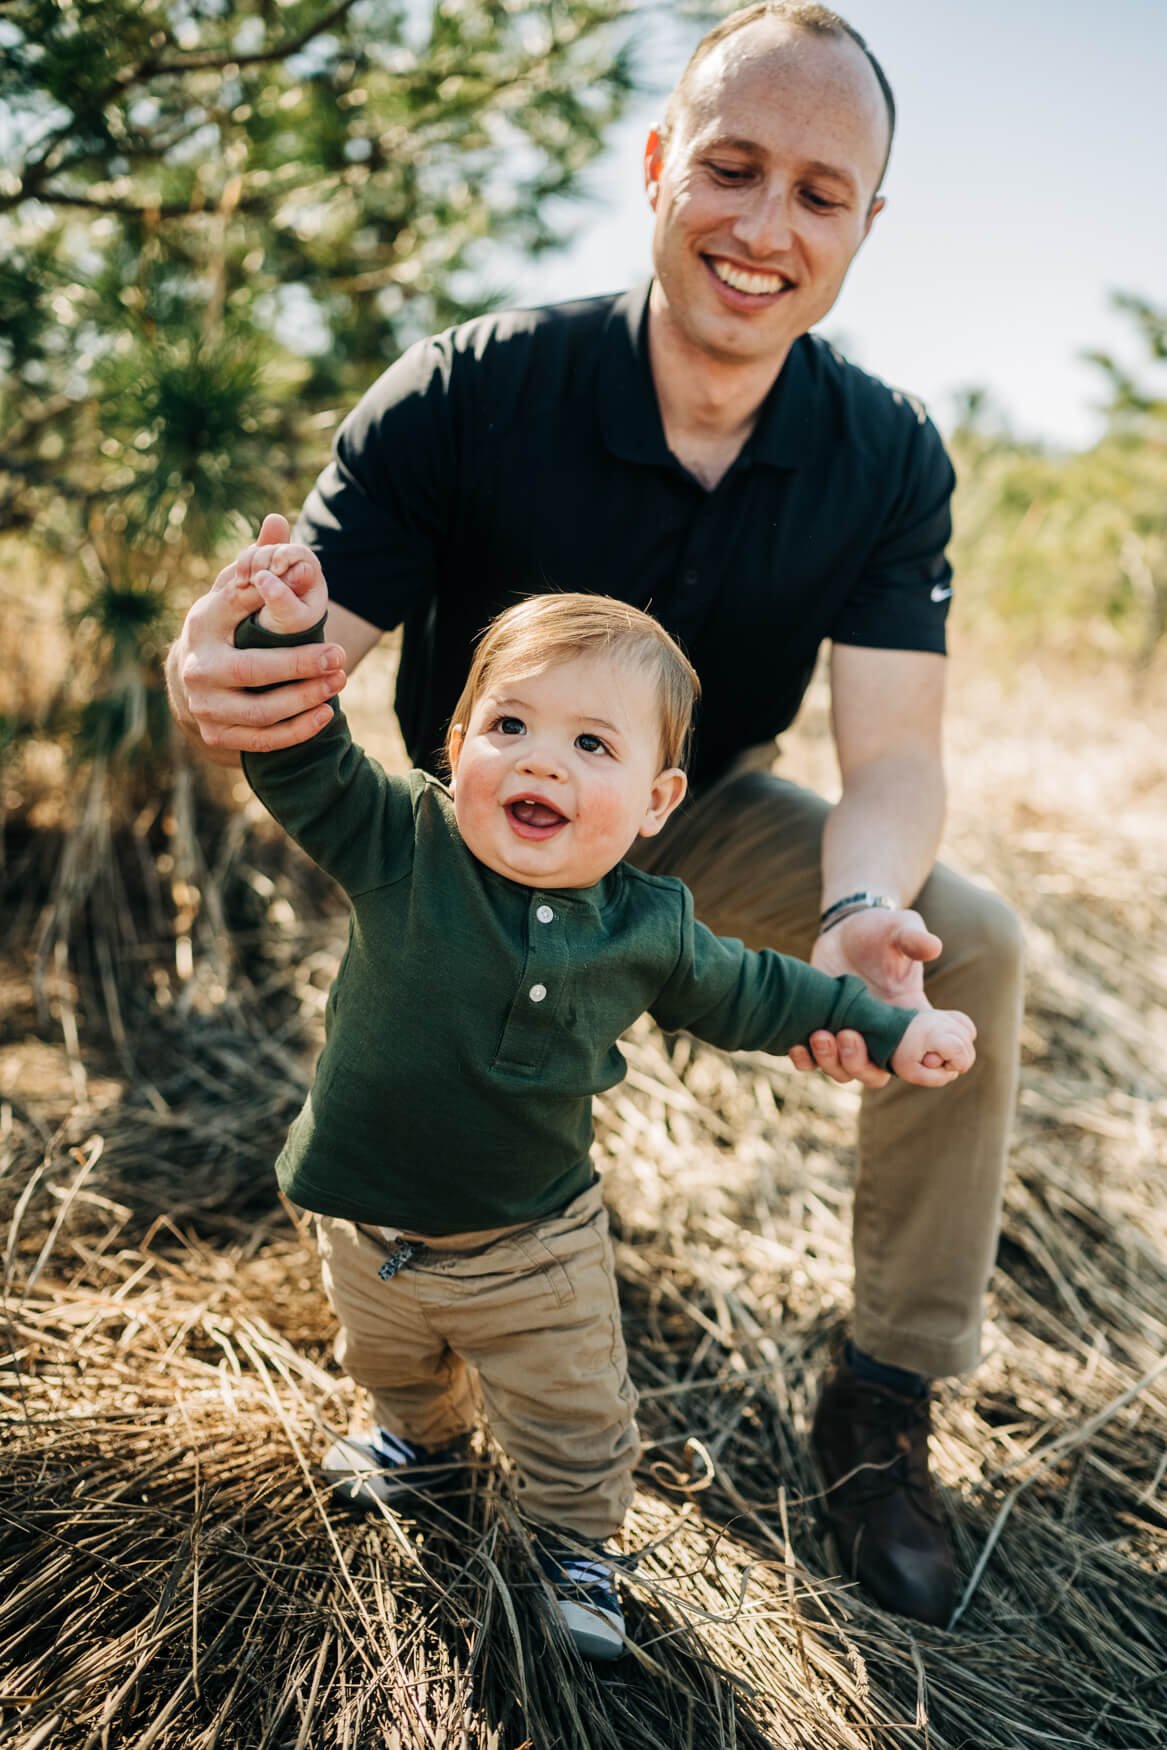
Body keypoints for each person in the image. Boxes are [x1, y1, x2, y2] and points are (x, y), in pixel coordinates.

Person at [166, 1, 1024, 1626]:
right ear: (656, 166)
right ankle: (414, 1387)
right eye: (731, 166)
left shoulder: (887, 453)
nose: (765, 227)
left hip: (687, 821)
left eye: (819, 193)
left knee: (964, 943)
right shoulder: (475, 387)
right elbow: (297, 654)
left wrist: (855, 915)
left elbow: (894, 754)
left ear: (866, 225)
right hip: (465, 835)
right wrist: (232, 665)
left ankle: (883, 1402)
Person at [232, 545, 977, 1659]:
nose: (545, 763)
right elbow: (298, 758)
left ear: (654, 801)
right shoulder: (403, 842)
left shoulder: (651, 928)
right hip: (368, 1216)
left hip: (534, 1243)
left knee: (575, 1418)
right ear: (457, 746)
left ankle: (578, 1545)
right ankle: (416, 1441)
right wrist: (282, 633)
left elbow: (765, 990)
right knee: (386, 1356)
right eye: (510, 727)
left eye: (592, 745)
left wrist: (894, 1026)